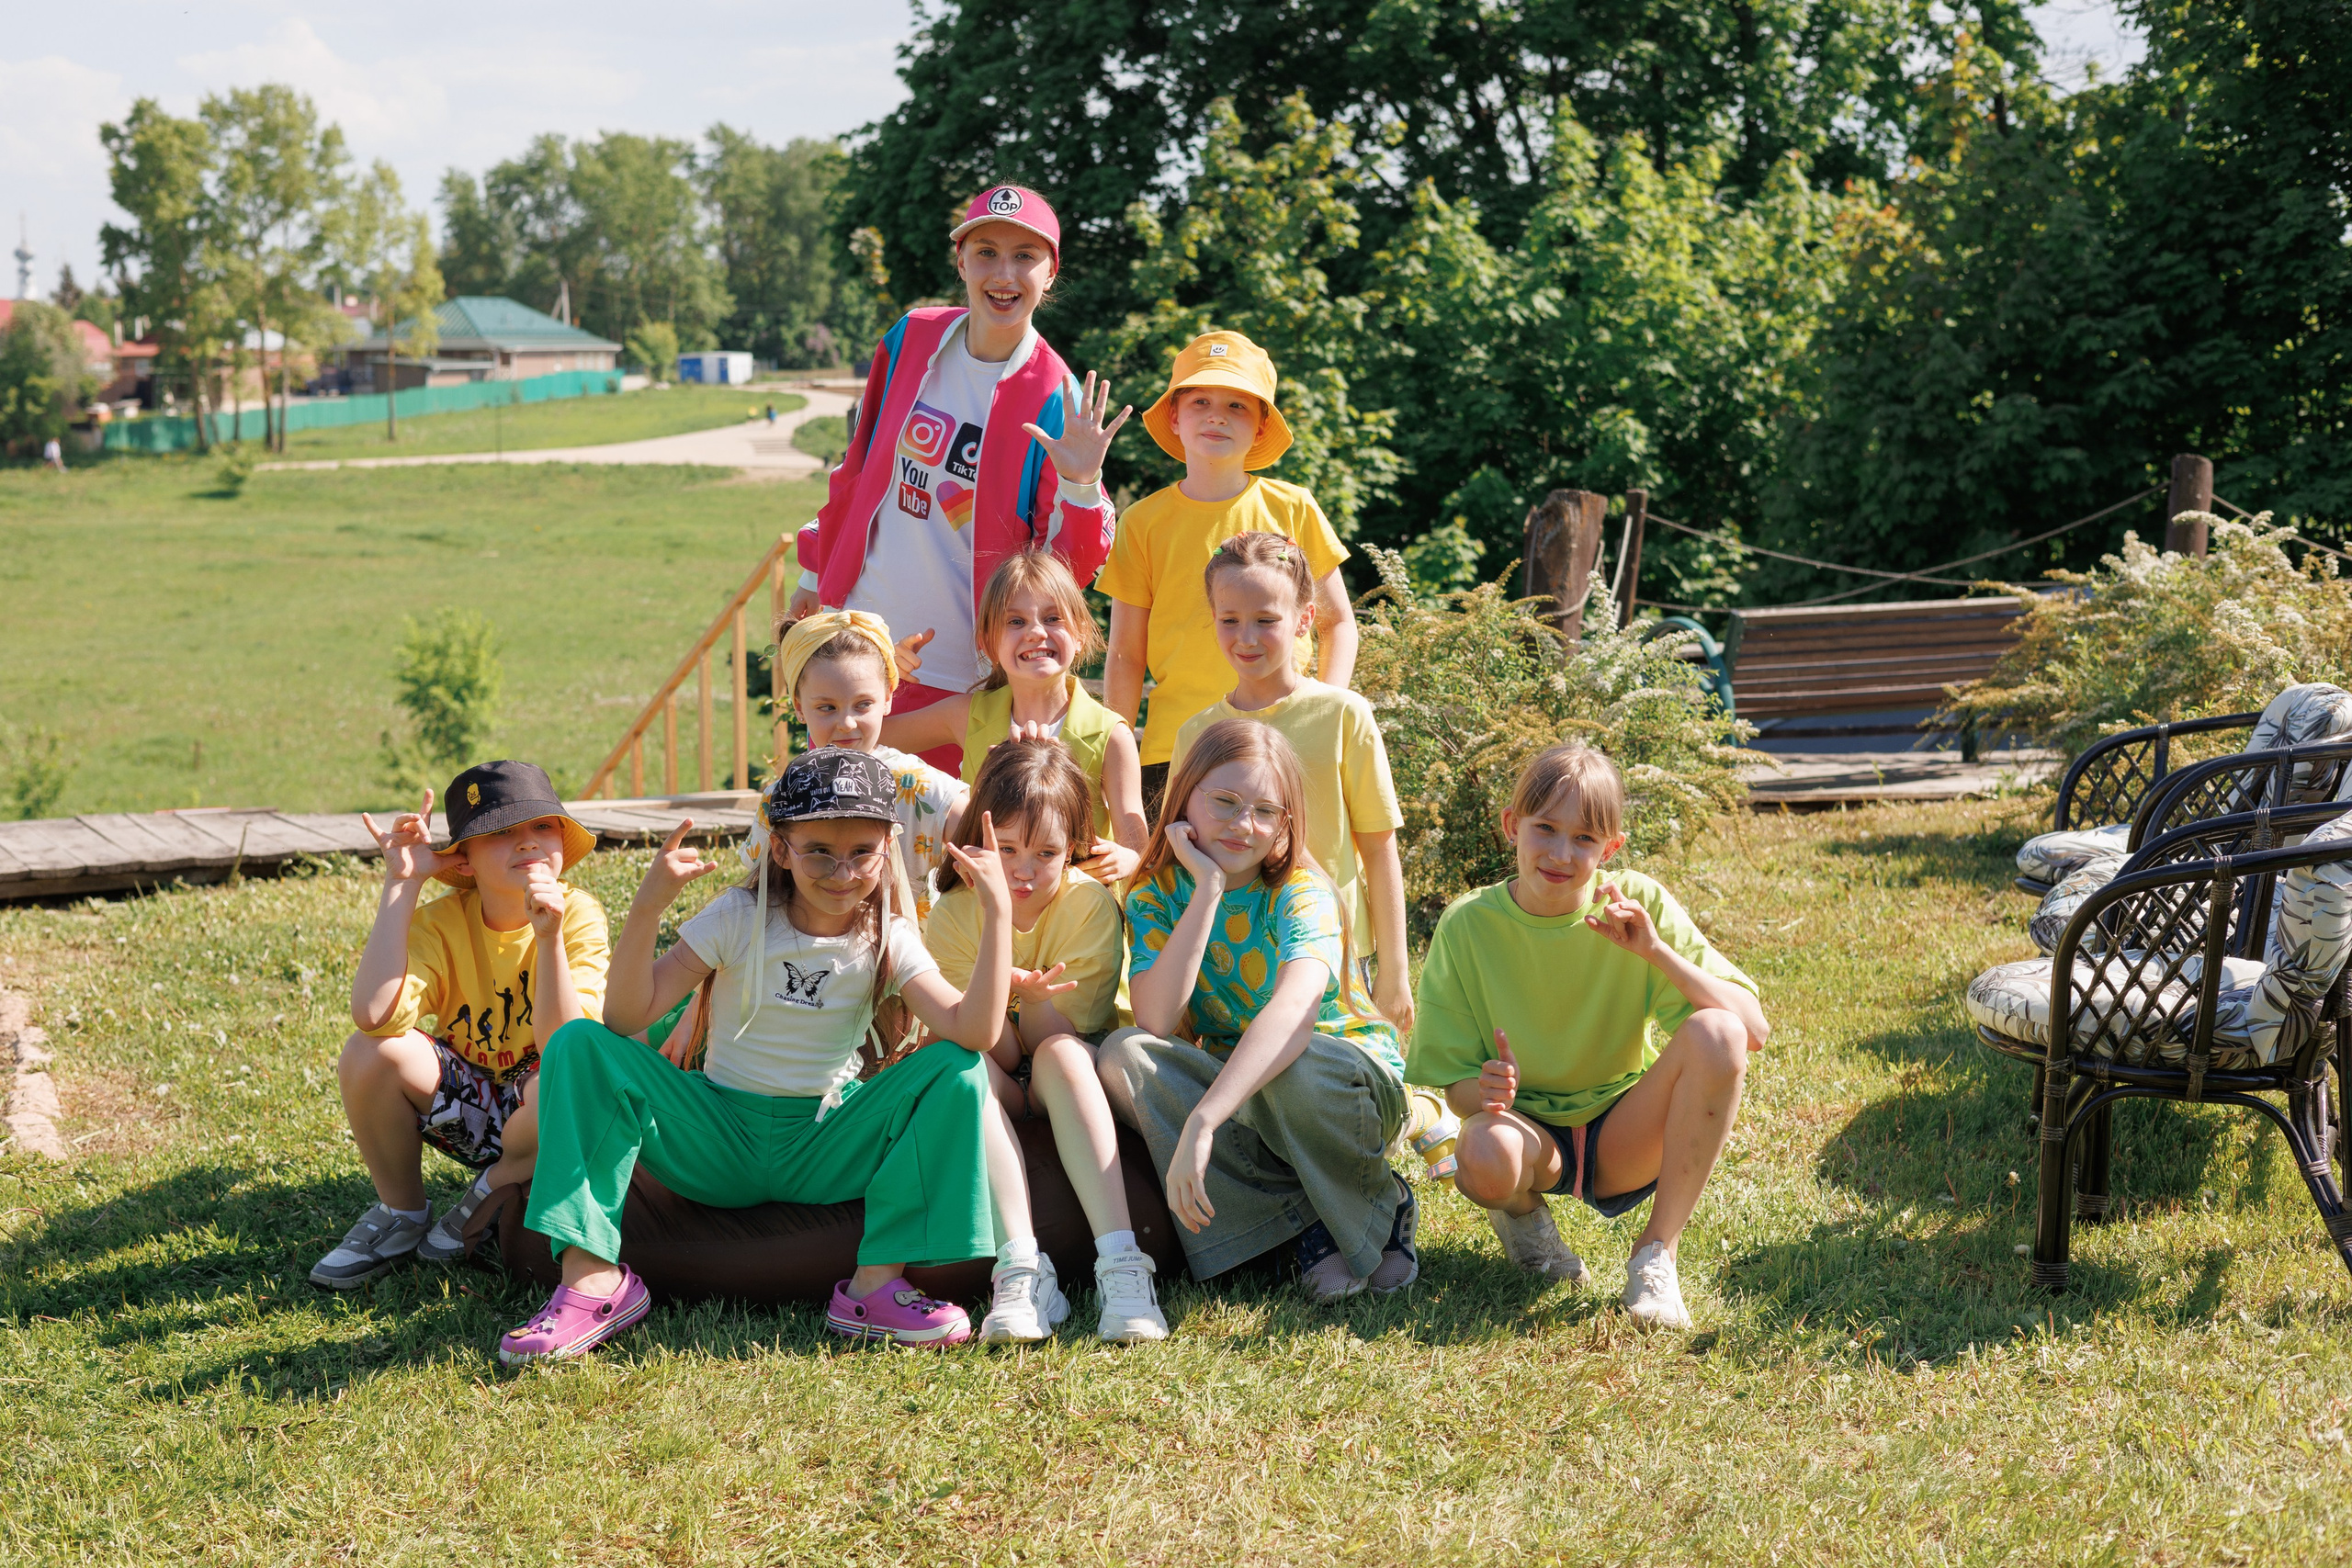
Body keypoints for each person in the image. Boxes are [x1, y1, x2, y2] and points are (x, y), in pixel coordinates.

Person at [502, 748, 1064, 1365]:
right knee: (579, 1043)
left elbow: (973, 1031)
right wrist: (648, 906)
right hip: (717, 1139)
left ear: (886, 849)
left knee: (955, 1068)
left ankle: (874, 1286)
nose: (841, 869)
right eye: (819, 848)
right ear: (780, 848)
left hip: (826, 1143)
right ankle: (593, 1281)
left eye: (861, 850)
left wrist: (998, 913)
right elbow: (626, 1017)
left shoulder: (889, 934)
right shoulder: (740, 917)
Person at [1407, 743, 1769, 1330]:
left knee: (1718, 1032)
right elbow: (1456, 1092)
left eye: (1583, 838)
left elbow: (1750, 1031)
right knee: (1481, 1150)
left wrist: (1655, 952)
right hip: (1530, 1137)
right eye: (1545, 828)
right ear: (1511, 827)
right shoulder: (1467, 926)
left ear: (1611, 848)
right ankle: (1527, 1223)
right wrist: (1487, 1091)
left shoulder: (1634, 903)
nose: (1559, 852)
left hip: (1623, 1132)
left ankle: (1656, 1254)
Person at [788, 184, 1130, 774]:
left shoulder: (1055, 395)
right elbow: (857, 467)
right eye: (986, 252)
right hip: (860, 650)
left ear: (1051, 272)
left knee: (938, 854)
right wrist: (816, 568)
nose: (1004, 272)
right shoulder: (910, 339)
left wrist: (1081, 484)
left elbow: (1065, 571)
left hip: (964, 676)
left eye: (1025, 256)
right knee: (842, 846)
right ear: (961, 261)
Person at [1097, 718, 1413, 1302]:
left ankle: (1374, 1200)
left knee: (1290, 1065)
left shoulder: (1302, 891)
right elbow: (1157, 1019)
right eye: (1224, 802)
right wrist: (1208, 890)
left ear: (1285, 825)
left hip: (1340, 1079)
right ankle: (1304, 1224)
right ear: (1185, 794)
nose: (1244, 825)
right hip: (1245, 1091)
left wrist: (1205, 1119)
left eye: (1265, 811)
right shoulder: (1156, 893)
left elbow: (1294, 1015)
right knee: (1125, 1055)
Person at [311, 761, 609, 1290]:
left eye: (542, 826)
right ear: (464, 860)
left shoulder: (579, 915)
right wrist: (402, 883)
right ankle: (402, 1213)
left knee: (557, 1081)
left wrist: (548, 937)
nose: (527, 843)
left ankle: (498, 1184)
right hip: (469, 1107)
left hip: (551, 1114)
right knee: (368, 1051)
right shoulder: (442, 923)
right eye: (501, 833)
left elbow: (566, 1046)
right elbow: (374, 1016)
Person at [924, 739, 1168, 1341]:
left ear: (1074, 850)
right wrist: (999, 956)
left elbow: (1057, 1038)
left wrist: (1031, 1003)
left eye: (1046, 852)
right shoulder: (955, 913)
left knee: (1057, 1052)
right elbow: (990, 1046)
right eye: (1005, 850)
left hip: (1070, 1060)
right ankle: (1022, 1267)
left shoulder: (1088, 905)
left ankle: (1121, 1262)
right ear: (978, 847)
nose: (1023, 871)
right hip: (999, 1067)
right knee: (956, 1063)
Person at [1097, 331, 1359, 817]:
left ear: (1261, 426)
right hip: (1174, 754)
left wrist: (1325, 711)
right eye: (1200, 400)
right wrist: (1115, 756)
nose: (1217, 415)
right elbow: (1126, 654)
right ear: (1174, 416)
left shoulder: (1294, 507)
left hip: (1284, 743)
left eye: (1238, 405)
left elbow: (1338, 623)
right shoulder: (1141, 523)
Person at [1169, 533, 1412, 1034]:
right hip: (1230, 958)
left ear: (1304, 620)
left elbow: (1379, 848)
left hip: (1334, 955)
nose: (1247, 638)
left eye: (1266, 621)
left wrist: (1397, 973)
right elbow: (1184, 853)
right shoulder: (1195, 733)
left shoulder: (1344, 714)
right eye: (1229, 620)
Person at [882, 548, 1147, 885]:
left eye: (1053, 619)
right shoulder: (965, 714)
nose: (1036, 632)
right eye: (1016, 622)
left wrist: (1127, 858)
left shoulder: (1110, 734)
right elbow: (862, 734)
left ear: (1080, 634)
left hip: (1077, 919)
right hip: (986, 910)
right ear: (988, 644)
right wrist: (883, 674)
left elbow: (1137, 843)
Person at [777, 610, 967, 921]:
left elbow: (989, 838)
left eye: (863, 704)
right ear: (799, 707)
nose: (847, 723)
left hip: (906, 964)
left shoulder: (916, 783)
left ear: (888, 698)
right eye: (827, 707)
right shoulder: (785, 793)